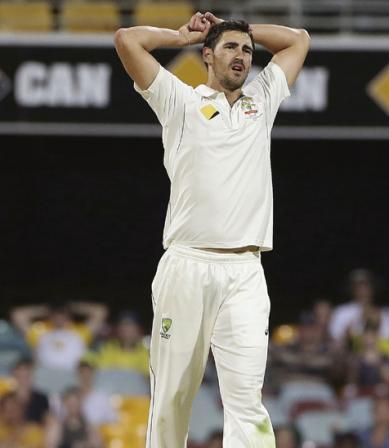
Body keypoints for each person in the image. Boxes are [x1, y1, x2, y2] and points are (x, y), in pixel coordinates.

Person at [114, 11, 309, 447]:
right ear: (207, 56)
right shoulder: (178, 101)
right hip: (188, 266)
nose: (241, 56)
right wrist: (179, 35)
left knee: (246, 399)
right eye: (229, 48)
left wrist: (243, 30)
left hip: (246, 271)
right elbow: (127, 40)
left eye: (246, 51)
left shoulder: (262, 101)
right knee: (172, 398)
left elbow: (298, 40)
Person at [11, 302, 107, 371]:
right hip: (45, 377)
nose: (59, 317)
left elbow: (100, 311)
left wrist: (72, 306)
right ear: (50, 315)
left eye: (62, 313)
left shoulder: (80, 332)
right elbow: (18, 314)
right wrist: (45, 309)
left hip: (73, 378)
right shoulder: (40, 332)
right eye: (55, 314)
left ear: (68, 315)